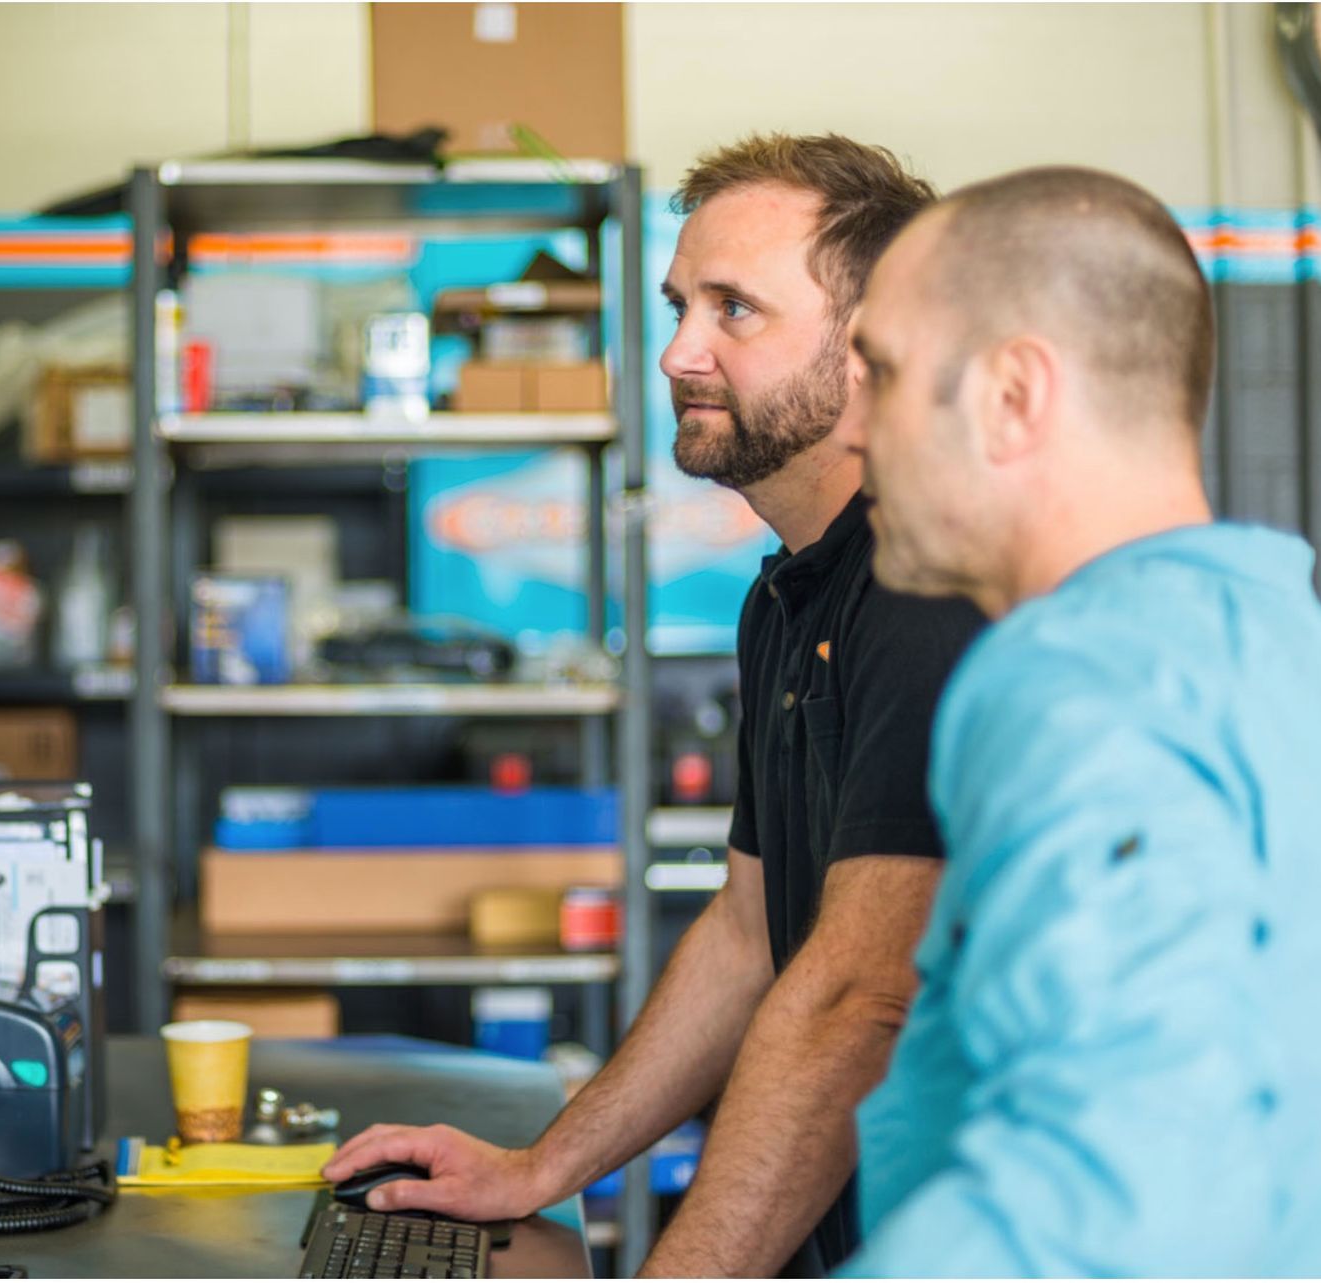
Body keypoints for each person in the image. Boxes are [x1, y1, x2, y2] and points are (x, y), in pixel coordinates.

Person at [322, 134, 985, 1277]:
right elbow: (746, 937)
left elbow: (858, 1001)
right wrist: (540, 1168)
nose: (678, 352)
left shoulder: (929, 589)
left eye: (736, 309)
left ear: (873, 343)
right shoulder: (786, 597)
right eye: (681, 306)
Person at [838, 165, 1321, 1276]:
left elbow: (1116, 1185)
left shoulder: (1076, 678)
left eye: (884, 373)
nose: (854, 431)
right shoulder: (1313, 658)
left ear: (1013, 396)